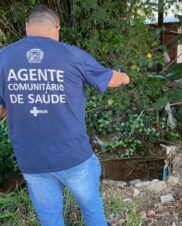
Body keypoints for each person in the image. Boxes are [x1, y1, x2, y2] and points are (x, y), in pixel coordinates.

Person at [0, 5, 130, 226]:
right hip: (74, 156)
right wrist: (125, 76)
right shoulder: (72, 55)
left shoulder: (3, 57)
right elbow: (110, 80)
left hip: (32, 159)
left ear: (27, 27)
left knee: (50, 220)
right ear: (57, 28)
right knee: (92, 211)